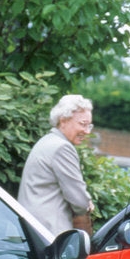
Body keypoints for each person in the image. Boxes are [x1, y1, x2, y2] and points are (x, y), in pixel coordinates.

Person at [19, 94, 95, 236]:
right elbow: (79, 201)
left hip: (32, 229)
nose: (87, 131)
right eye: (83, 124)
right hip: (49, 232)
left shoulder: (47, 141)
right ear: (63, 121)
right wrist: (87, 203)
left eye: (89, 125)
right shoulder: (62, 148)